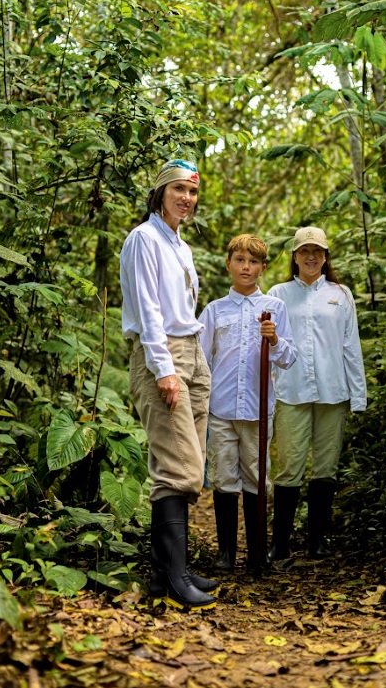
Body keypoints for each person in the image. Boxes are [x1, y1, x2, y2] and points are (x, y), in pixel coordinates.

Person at [119, 158, 218, 610]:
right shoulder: (143, 239)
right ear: (160, 192)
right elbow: (148, 310)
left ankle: (166, 572)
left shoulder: (179, 243)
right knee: (179, 466)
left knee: (185, 464)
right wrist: (163, 369)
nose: (187, 198)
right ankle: (175, 577)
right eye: (179, 189)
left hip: (191, 351)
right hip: (164, 353)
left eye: (193, 192)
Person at [267, 226, 367, 562]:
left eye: (318, 251)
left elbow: (350, 346)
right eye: (304, 251)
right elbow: (267, 347)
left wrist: (358, 395)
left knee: (326, 468)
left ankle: (317, 542)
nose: (311, 257)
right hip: (291, 391)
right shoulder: (278, 293)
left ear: (325, 257)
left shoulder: (341, 294)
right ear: (294, 256)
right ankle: (280, 543)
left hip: (332, 391)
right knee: (289, 468)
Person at [199, 235, 297, 574]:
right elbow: (201, 359)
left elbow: (289, 358)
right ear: (229, 264)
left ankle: (257, 553)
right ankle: (226, 553)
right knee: (224, 477)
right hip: (222, 409)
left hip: (257, 410)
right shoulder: (213, 311)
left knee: (256, 477)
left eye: (253, 262)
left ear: (262, 268)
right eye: (240, 260)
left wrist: (275, 339)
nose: (246, 267)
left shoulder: (274, 309)